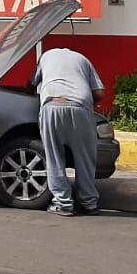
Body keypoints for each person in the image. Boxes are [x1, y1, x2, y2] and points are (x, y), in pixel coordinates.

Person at [30, 45, 104, 217]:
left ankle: (63, 204)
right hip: (80, 105)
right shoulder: (83, 59)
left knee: (54, 157)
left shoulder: (45, 57)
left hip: (51, 105)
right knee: (85, 158)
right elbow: (99, 93)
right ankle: (89, 203)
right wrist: (86, 106)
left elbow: (32, 83)